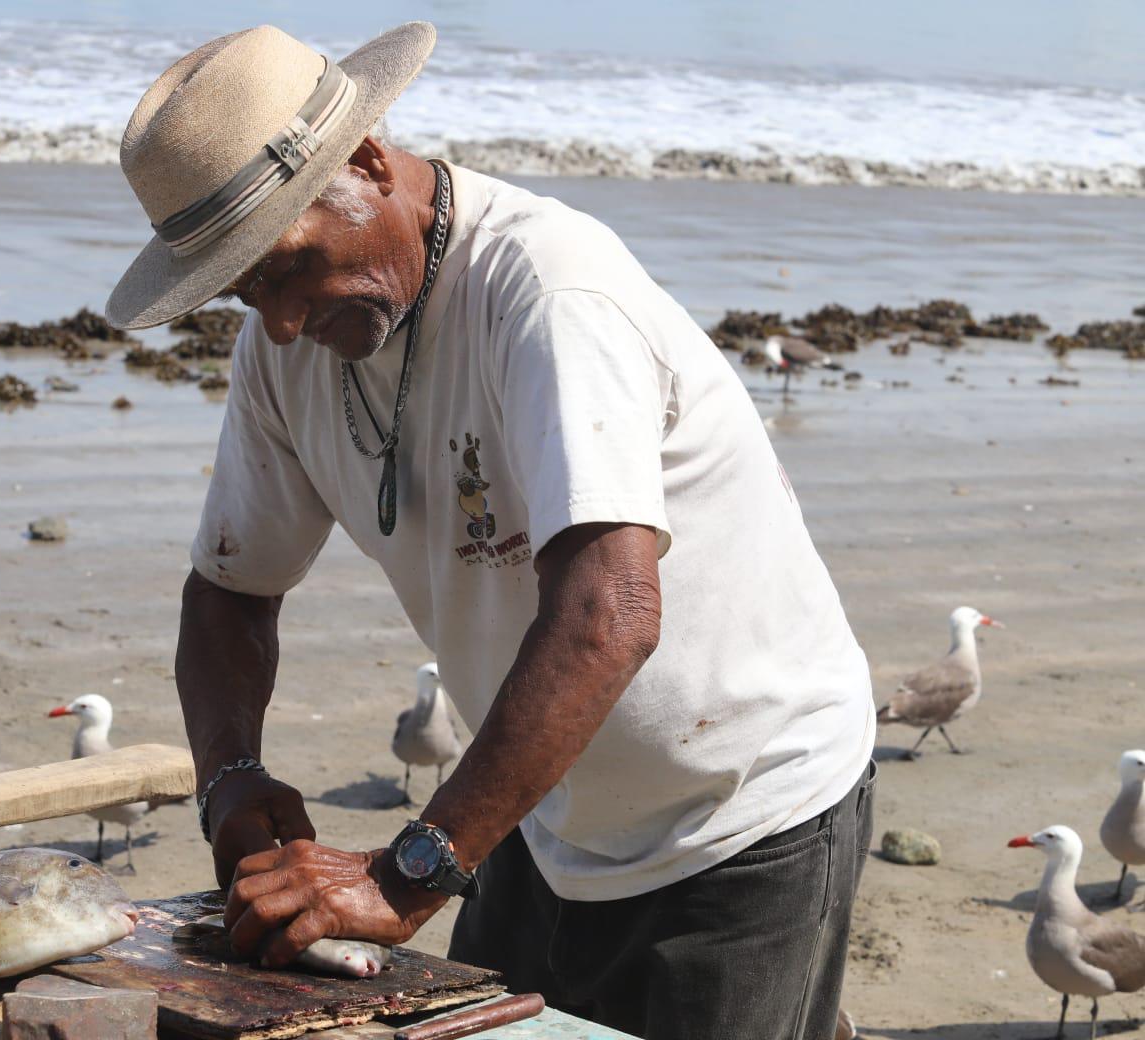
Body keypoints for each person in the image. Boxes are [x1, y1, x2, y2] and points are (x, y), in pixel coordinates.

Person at [104, 21, 876, 1040]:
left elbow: (612, 611)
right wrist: (229, 778)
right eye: (246, 291)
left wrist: (410, 871)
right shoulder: (283, 352)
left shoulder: (550, 296)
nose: (281, 321)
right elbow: (229, 594)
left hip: (740, 814)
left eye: (287, 266)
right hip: (540, 814)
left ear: (370, 160)